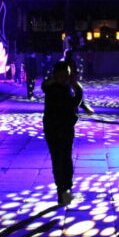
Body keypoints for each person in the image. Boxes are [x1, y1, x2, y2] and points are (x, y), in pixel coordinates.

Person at [42, 60, 83, 206]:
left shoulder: (56, 87)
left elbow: (44, 85)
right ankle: (64, 189)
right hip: (59, 129)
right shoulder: (57, 89)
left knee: (60, 159)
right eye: (62, 76)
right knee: (63, 159)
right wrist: (78, 89)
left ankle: (63, 189)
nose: (65, 78)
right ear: (56, 75)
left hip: (56, 128)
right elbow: (73, 103)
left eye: (66, 75)